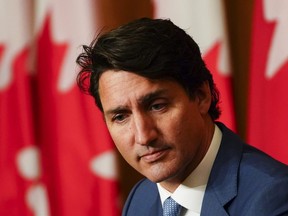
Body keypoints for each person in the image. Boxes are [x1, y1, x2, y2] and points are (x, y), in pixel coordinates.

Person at [76, 17, 288, 216]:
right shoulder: (140, 199)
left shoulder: (273, 199)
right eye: (121, 117)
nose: (143, 136)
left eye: (157, 106)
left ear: (201, 96)